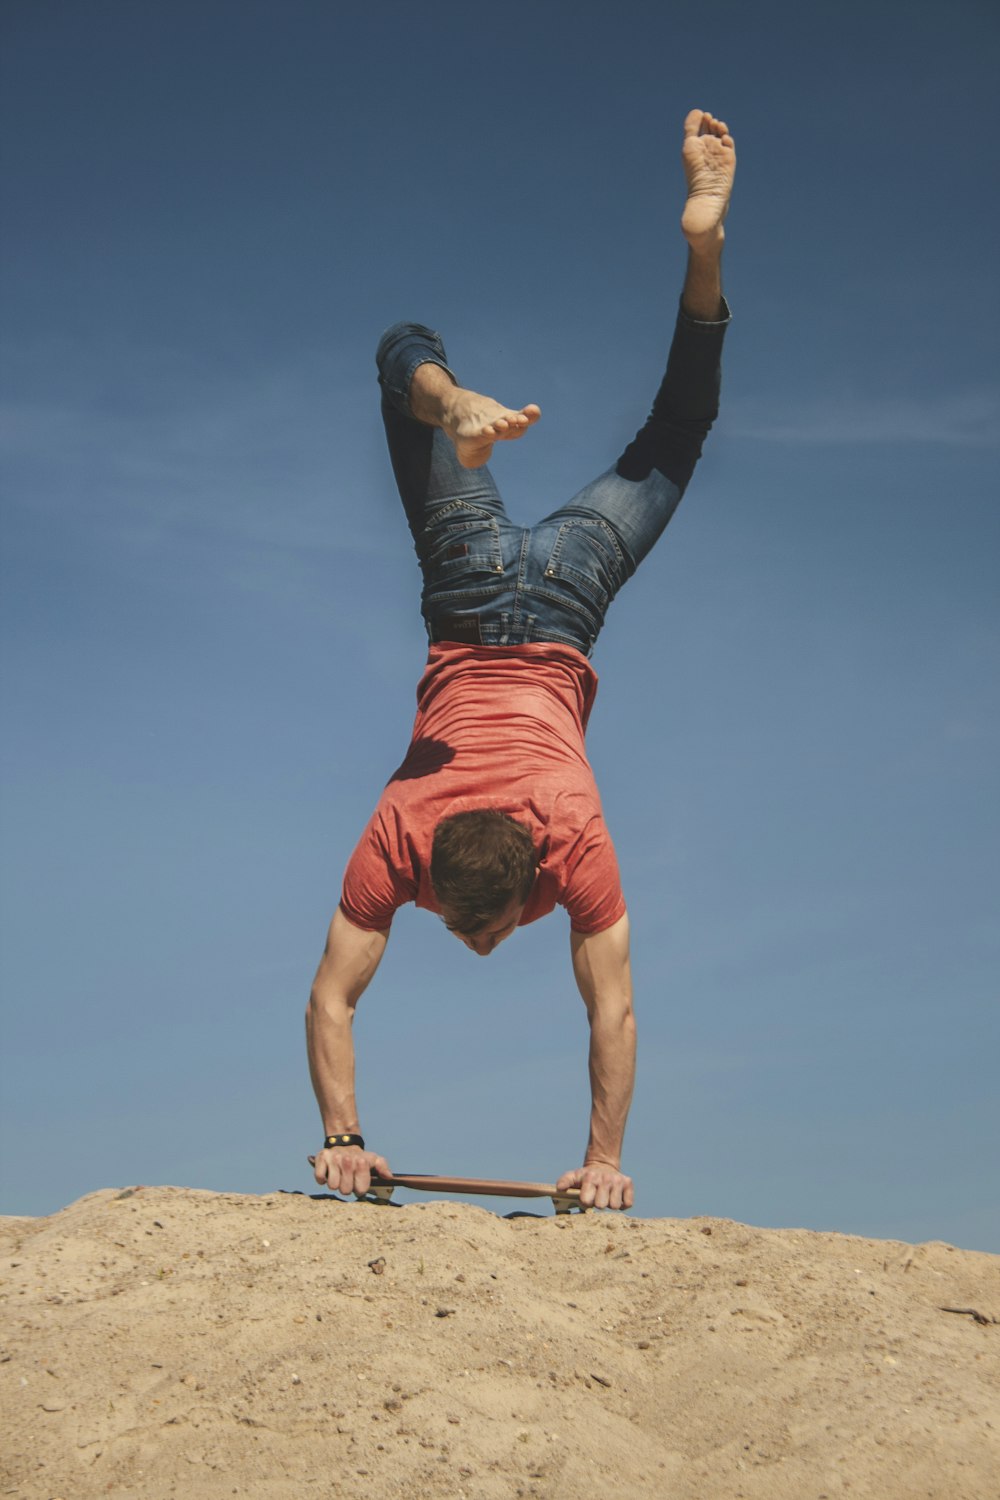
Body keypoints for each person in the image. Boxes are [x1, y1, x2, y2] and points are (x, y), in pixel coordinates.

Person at [307, 108, 736, 1211]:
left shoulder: (503, 840)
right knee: (405, 363)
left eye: (473, 934)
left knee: (670, 439)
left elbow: (332, 1002)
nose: (481, 948)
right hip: (482, 590)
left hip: (558, 600)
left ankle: (463, 394)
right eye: (479, 931)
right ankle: (455, 399)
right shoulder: (411, 830)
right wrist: (598, 1163)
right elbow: (615, 1011)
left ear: (524, 881)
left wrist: (343, 1136)